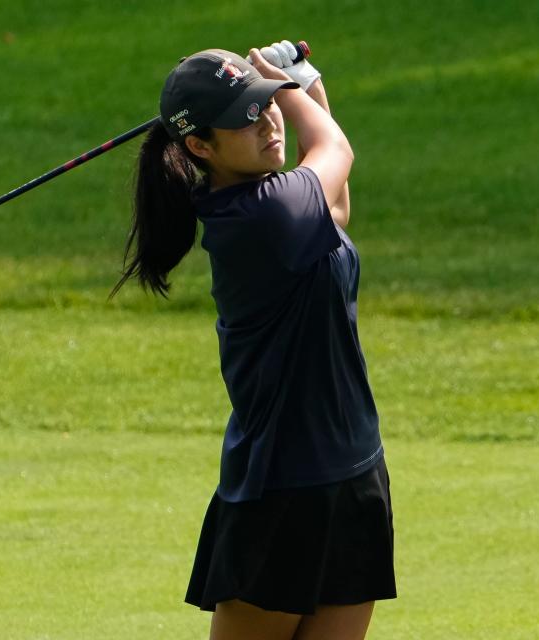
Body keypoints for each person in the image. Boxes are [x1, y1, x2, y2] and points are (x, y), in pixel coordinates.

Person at [111, 40, 395, 640]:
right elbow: (335, 149)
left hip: (353, 474)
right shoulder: (260, 218)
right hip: (283, 488)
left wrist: (300, 84)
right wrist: (286, 86)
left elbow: (336, 207)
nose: (267, 119)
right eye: (246, 116)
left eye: (264, 105)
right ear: (199, 146)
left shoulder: (286, 207)